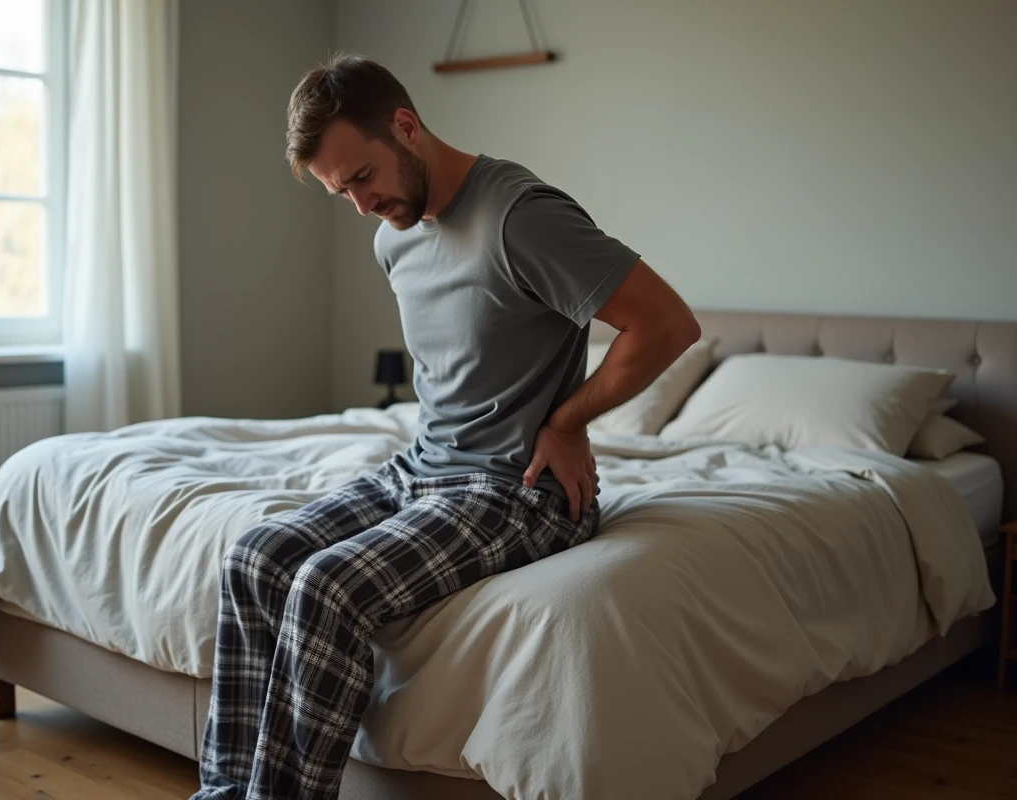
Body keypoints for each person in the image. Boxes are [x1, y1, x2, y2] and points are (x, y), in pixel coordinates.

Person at [190, 53, 700, 800]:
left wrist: (566, 421)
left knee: (326, 591)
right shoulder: (391, 234)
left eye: (363, 177)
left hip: (518, 489)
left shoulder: (522, 216)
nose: (362, 205)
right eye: (342, 193)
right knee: (256, 559)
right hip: (424, 470)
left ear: (406, 127)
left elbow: (666, 325)